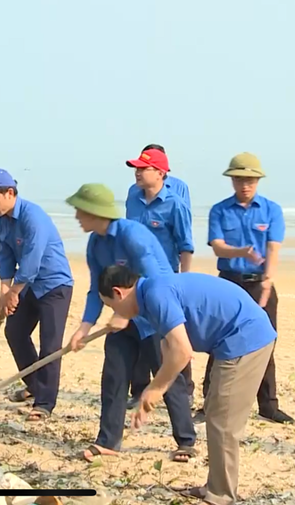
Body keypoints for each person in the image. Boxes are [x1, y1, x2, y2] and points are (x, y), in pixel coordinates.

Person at [97, 265, 276, 505]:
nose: (114, 312)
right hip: (231, 339)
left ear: (118, 293)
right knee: (216, 412)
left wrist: (155, 388)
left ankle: (221, 496)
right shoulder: (148, 296)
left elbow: (183, 352)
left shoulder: (155, 295)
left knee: (223, 422)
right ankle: (216, 487)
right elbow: (169, 348)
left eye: (110, 306)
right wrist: (155, 392)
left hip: (245, 337)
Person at [64, 183, 196, 463]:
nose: (77, 216)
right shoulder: (96, 244)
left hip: (154, 317)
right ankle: (108, 441)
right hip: (120, 319)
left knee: (167, 376)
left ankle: (186, 441)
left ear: (95, 212)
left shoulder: (132, 235)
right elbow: (96, 290)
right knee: (113, 377)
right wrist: (84, 327)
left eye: (80, 210)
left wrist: (125, 314)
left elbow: (152, 280)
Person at [0, 168, 74, 421]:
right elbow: (5, 256)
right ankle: (35, 385)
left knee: (50, 345)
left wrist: (14, 291)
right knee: (14, 332)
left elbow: (31, 261)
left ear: (10, 193)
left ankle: (45, 403)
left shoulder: (33, 217)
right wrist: (3, 291)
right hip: (26, 286)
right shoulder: (2, 219)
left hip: (53, 285)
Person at [199, 152, 293, 424]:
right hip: (228, 282)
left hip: (259, 283)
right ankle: (209, 402)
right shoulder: (220, 210)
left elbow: (274, 247)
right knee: (218, 342)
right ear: (232, 180)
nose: (245, 185)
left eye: (250, 180)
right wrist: (242, 251)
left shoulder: (271, 209)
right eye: (240, 179)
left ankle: (268, 405)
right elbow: (217, 246)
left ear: (257, 180)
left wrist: (268, 279)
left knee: (265, 342)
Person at [123, 148, 196, 408]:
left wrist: (184, 281)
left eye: (143, 169)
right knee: (137, 332)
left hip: (163, 281)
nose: (137, 173)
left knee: (169, 334)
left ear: (161, 173)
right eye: (136, 168)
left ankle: (183, 391)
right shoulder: (132, 196)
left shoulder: (175, 203)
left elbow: (185, 246)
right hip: (134, 277)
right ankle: (138, 390)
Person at [125, 144, 191, 208]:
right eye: (138, 169)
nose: (138, 173)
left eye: (144, 168)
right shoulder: (133, 190)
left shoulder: (179, 188)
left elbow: (184, 214)